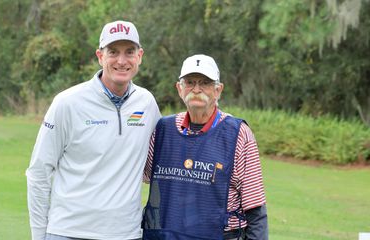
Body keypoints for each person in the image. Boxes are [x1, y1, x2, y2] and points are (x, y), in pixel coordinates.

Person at [26, 20, 161, 240]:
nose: (121, 60)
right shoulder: (67, 103)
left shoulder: (146, 103)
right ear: (100, 56)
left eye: (129, 52)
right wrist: (39, 235)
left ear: (140, 56)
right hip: (68, 232)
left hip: (126, 234)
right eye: (113, 52)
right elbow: (39, 172)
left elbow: (159, 164)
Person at [142, 54, 268, 240]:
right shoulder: (162, 130)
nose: (196, 89)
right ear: (180, 88)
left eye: (205, 83)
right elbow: (140, 176)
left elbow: (254, 205)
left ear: (218, 90)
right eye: (190, 82)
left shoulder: (237, 133)